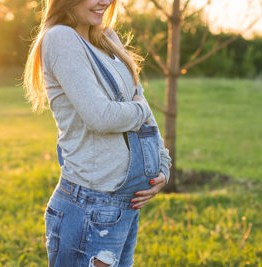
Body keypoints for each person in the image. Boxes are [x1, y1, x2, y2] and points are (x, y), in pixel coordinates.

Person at [23, 0, 172, 266]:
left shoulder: (107, 37)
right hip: (91, 205)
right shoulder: (60, 38)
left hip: (124, 205)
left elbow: (142, 107)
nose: (105, 1)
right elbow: (101, 117)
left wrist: (163, 166)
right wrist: (140, 110)